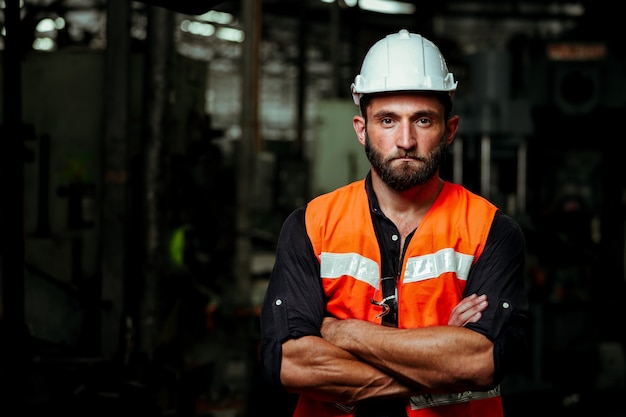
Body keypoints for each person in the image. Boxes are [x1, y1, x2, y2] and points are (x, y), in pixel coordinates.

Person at [259, 29, 529, 417]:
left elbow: (479, 362)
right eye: (387, 120)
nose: (405, 140)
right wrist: (440, 362)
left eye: (422, 120)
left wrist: (341, 332)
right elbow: (291, 363)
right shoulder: (312, 225)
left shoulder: (491, 231)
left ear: (449, 130)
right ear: (361, 129)